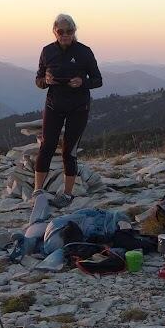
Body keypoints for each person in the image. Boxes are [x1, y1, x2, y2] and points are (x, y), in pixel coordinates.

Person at [34, 13, 102, 209]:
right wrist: (45, 81)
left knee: (69, 151)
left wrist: (82, 82)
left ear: (74, 31)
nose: (65, 35)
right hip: (54, 105)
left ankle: (67, 194)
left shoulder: (84, 52)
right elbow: (38, 79)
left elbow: (98, 80)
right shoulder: (47, 51)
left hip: (78, 107)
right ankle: (38, 191)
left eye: (69, 31)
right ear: (54, 32)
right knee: (47, 146)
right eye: (60, 31)